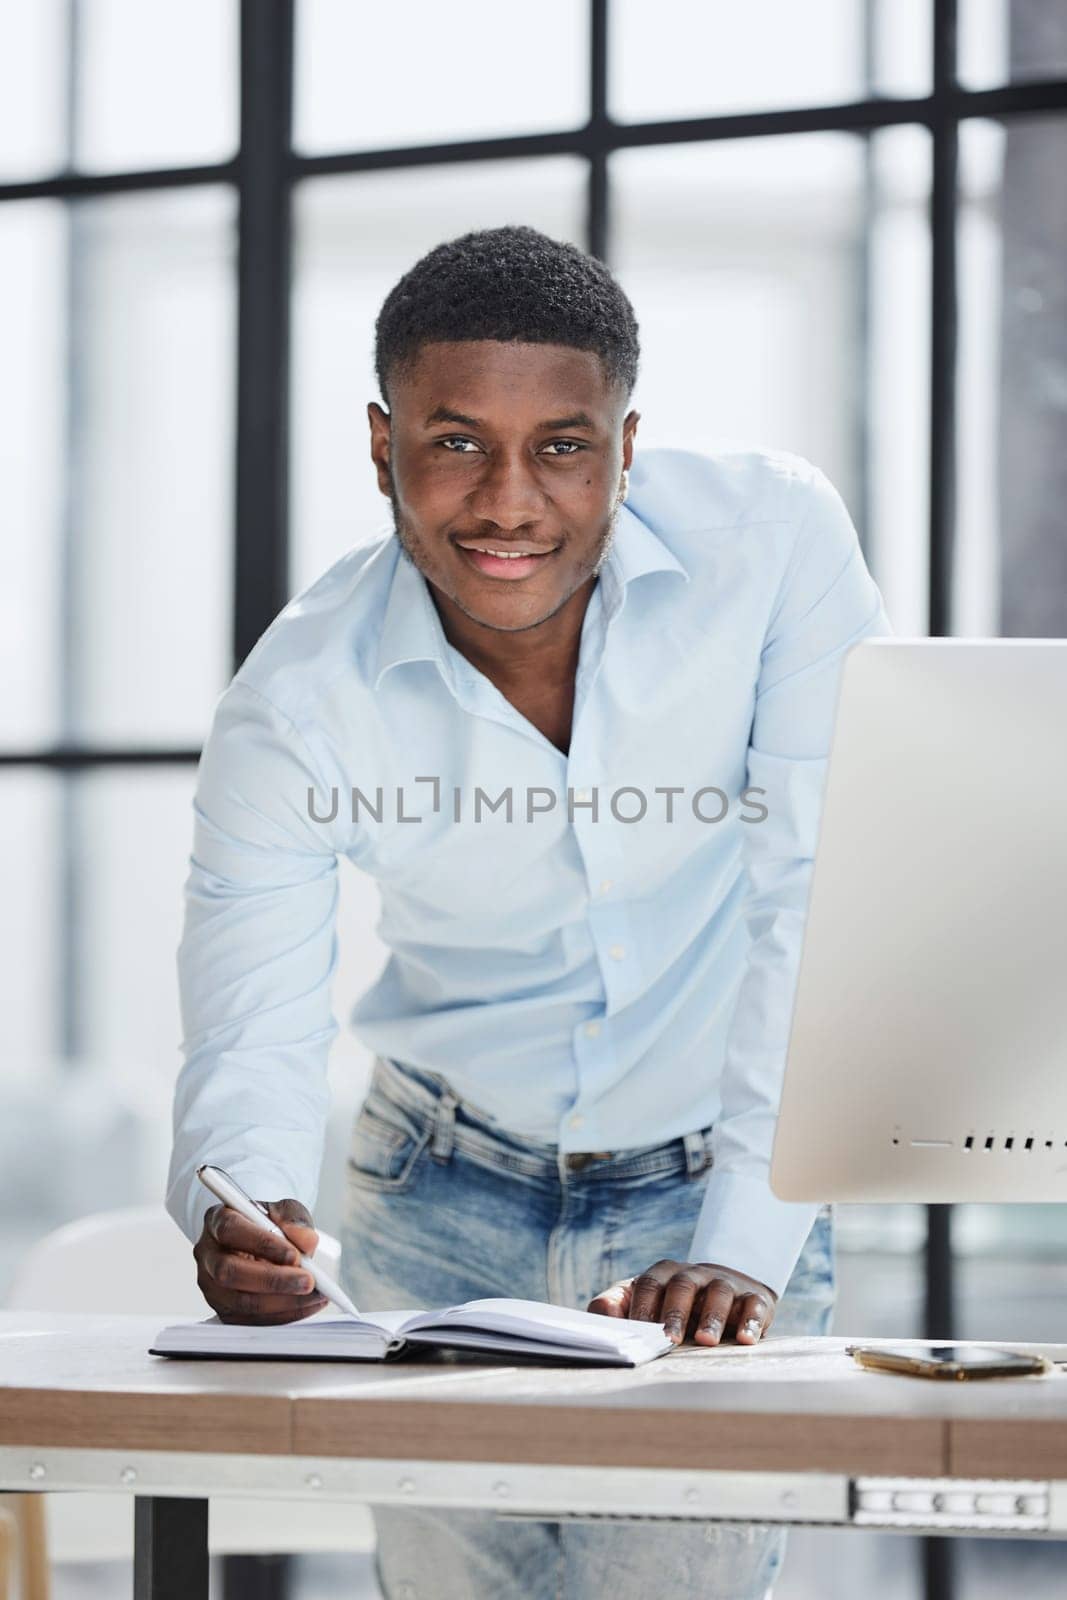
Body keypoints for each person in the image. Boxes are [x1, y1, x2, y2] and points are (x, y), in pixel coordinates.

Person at [167, 224, 891, 1597]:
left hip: (710, 1182)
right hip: (437, 1191)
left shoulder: (774, 543)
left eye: (562, 445)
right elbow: (252, 1005)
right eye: (454, 444)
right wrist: (244, 1201)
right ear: (382, 449)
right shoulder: (296, 703)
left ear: (624, 445)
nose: (509, 500)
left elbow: (826, 897)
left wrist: (741, 1249)